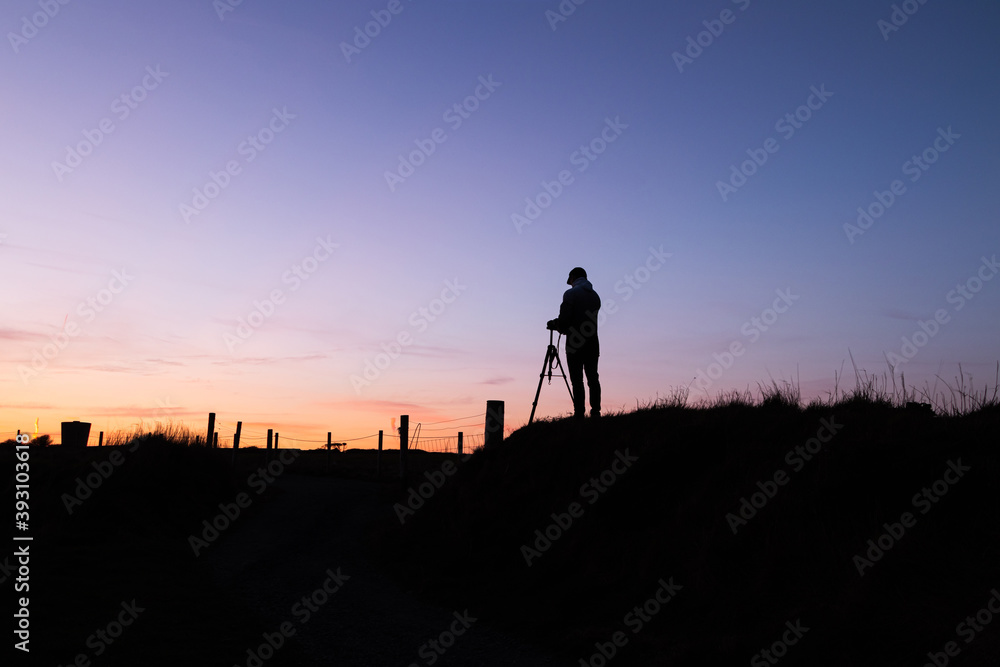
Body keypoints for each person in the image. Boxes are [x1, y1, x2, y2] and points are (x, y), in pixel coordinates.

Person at [547, 267, 601, 419]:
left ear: (573, 277)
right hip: (592, 342)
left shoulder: (571, 294)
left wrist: (556, 325)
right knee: (593, 377)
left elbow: (565, 320)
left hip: (575, 342)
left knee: (577, 380)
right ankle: (596, 412)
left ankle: (579, 413)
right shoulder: (595, 296)